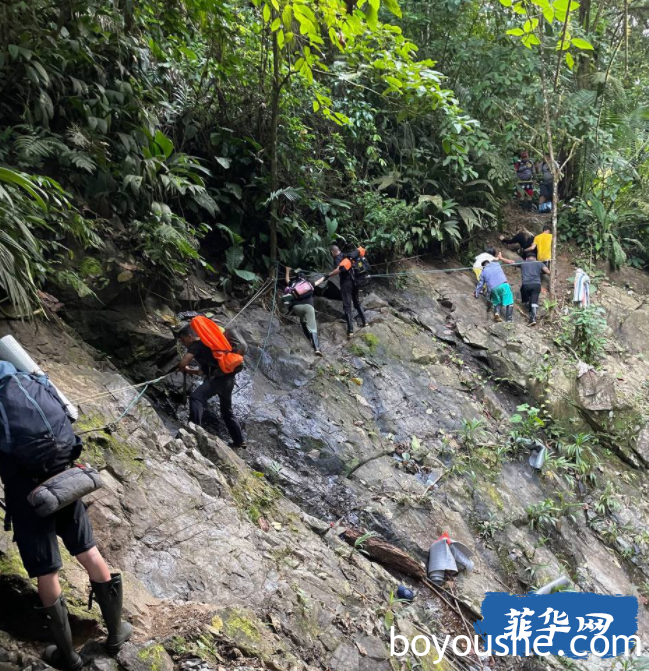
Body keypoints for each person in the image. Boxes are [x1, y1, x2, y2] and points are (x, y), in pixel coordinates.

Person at [0, 363, 131, 670]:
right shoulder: (33, 380)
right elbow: (69, 416)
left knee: (48, 571)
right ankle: (115, 633)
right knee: (88, 551)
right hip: (65, 481)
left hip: (28, 495)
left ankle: (68, 656)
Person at [177, 324, 247, 447]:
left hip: (218, 380)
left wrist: (182, 367)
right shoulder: (209, 344)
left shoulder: (196, 345)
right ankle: (239, 441)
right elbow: (201, 372)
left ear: (190, 336)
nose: (183, 344)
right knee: (227, 411)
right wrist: (189, 371)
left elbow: (183, 362)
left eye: (183, 340)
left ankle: (192, 430)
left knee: (196, 398)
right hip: (228, 379)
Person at [325, 244, 367, 339]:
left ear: (332, 253)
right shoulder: (347, 256)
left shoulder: (337, 258)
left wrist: (329, 275)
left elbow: (339, 269)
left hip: (346, 283)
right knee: (356, 302)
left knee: (347, 305)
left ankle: (350, 330)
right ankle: (365, 322)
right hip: (355, 281)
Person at [499, 252, 549, 325]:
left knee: (524, 292)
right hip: (536, 285)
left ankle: (527, 303)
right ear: (535, 258)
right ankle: (533, 318)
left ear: (526, 258)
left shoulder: (523, 262)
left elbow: (511, 262)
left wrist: (501, 258)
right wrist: (551, 273)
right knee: (534, 301)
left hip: (526, 285)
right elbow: (547, 271)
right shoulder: (539, 263)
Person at [283, 267, 323, 356]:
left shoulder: (293, 283)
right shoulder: (309, 284)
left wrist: (287, 270)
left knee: (303, 321)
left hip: (296, 307)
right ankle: (317, 348)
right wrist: (326, 276)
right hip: (308, 306)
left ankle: (309, 338)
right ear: (305, 278)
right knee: (313, 327)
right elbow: (319, 282)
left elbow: (287, 280)